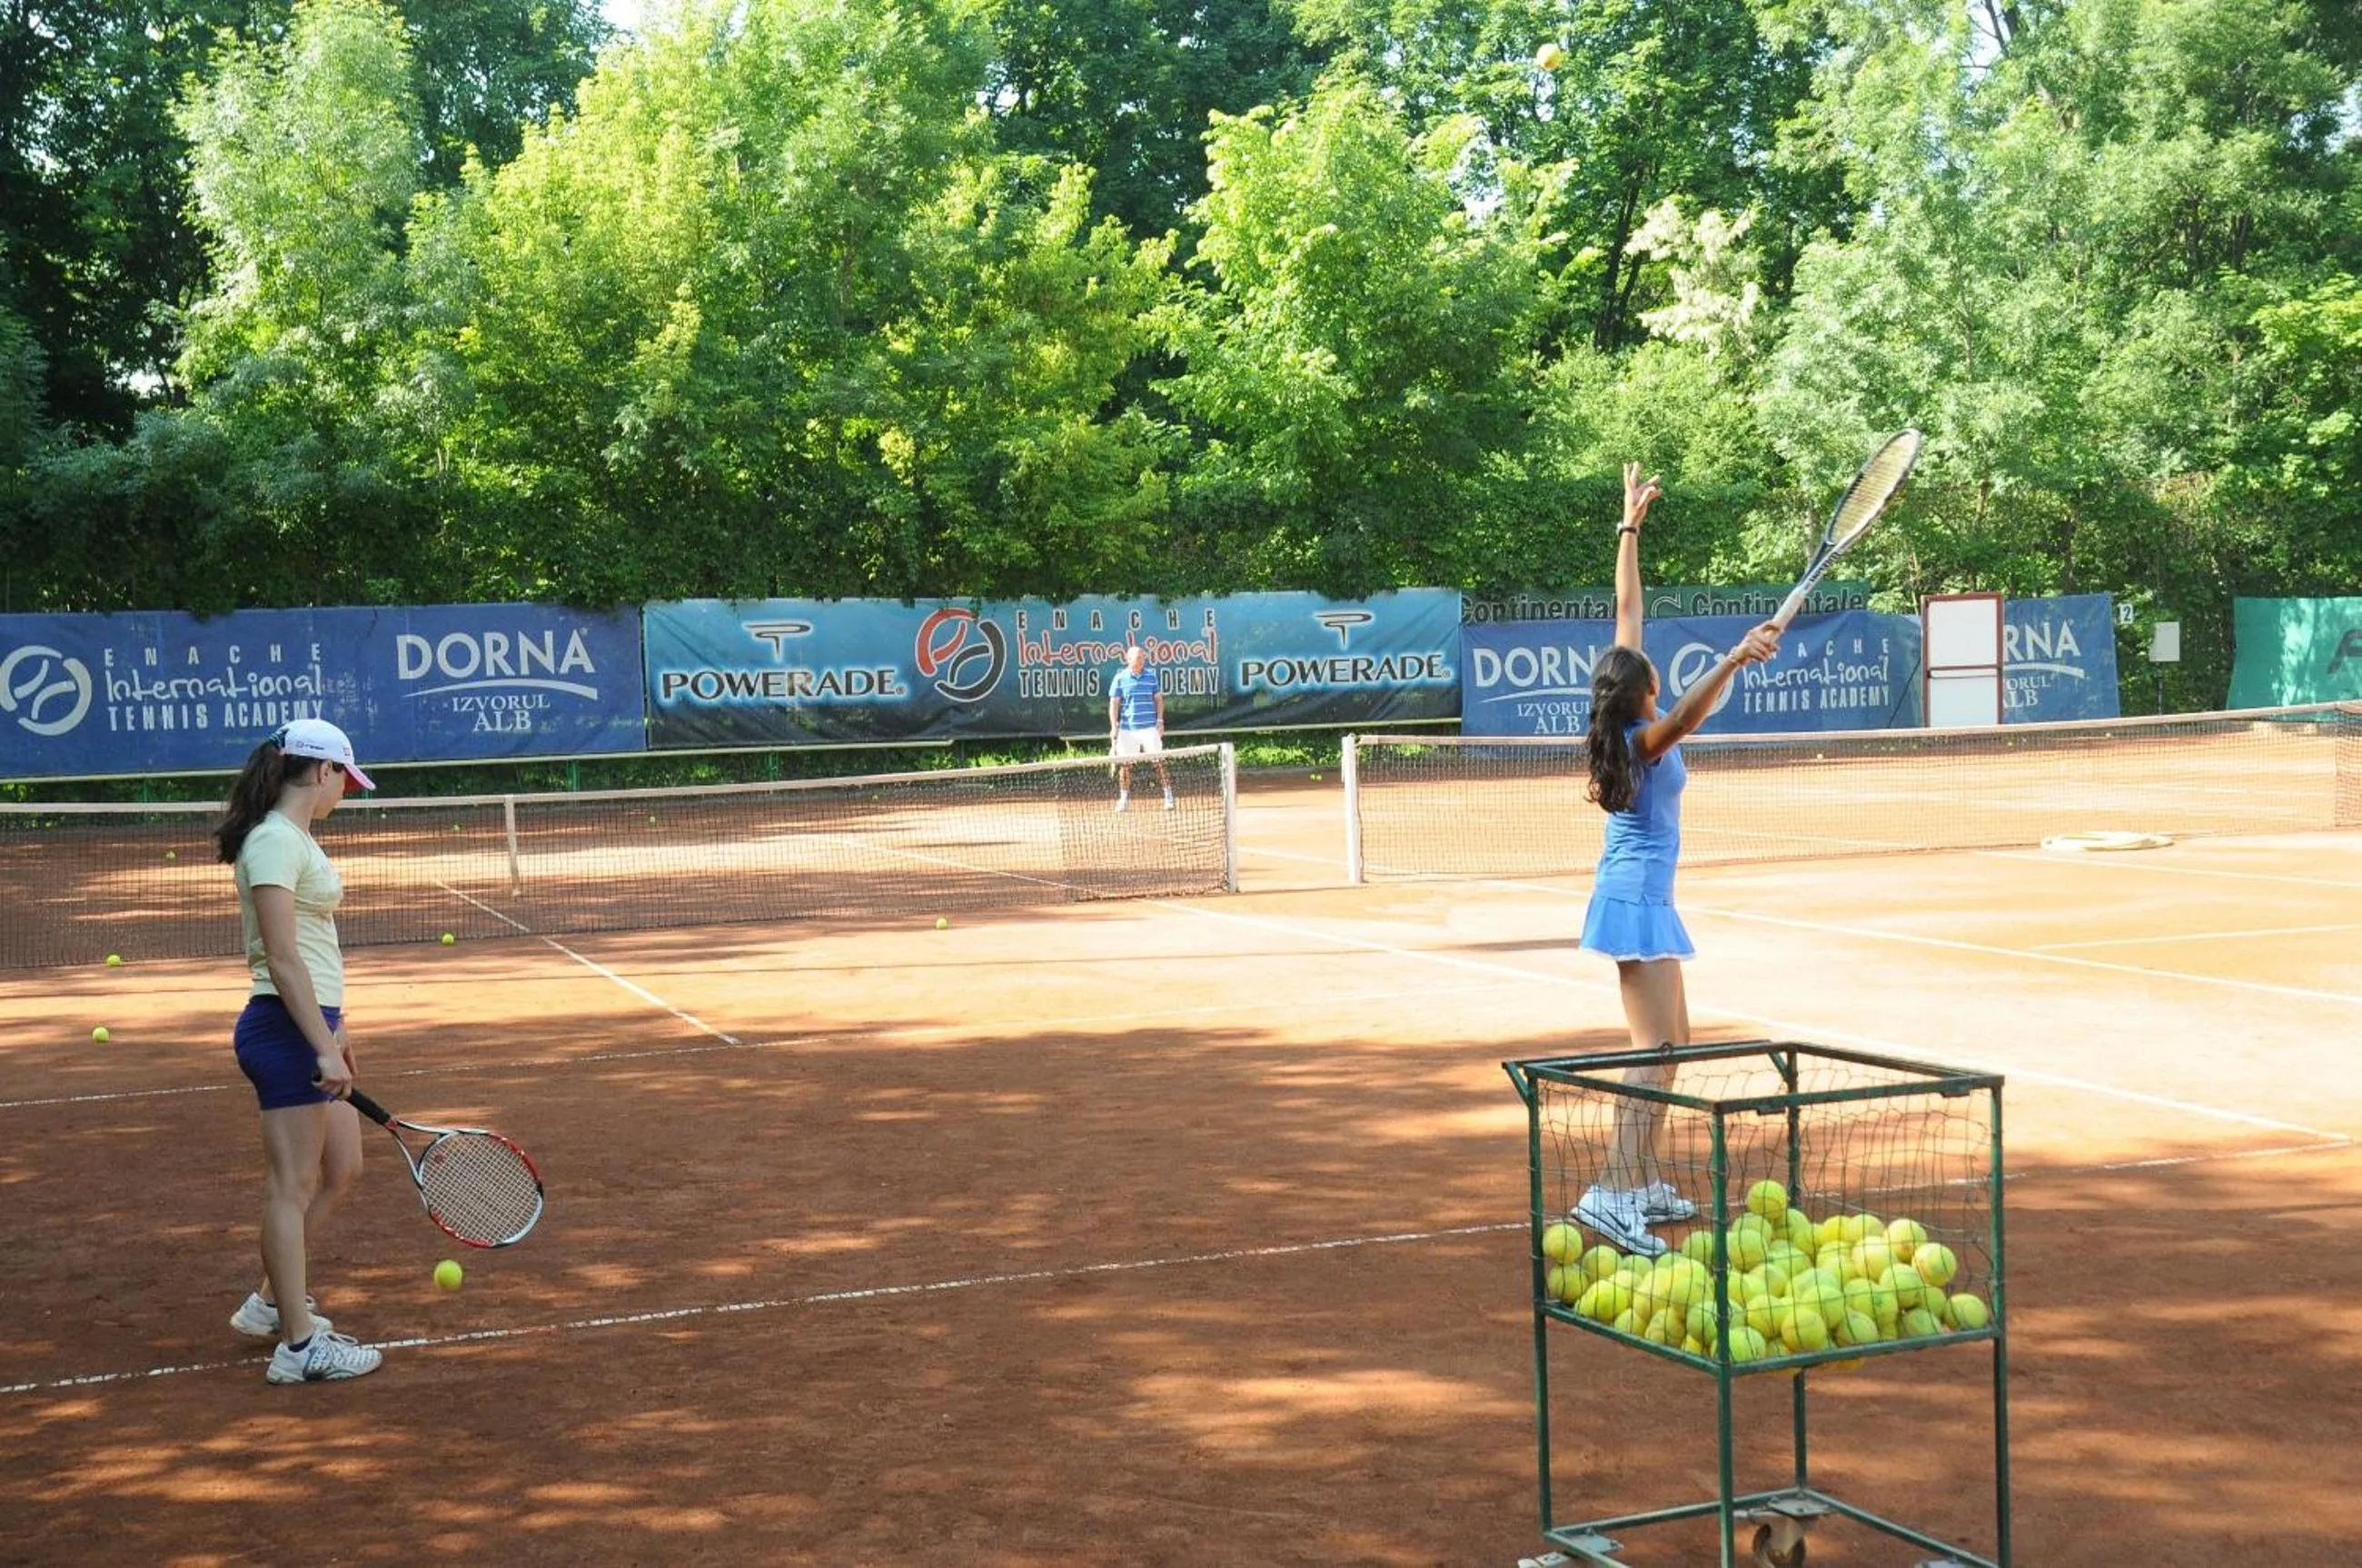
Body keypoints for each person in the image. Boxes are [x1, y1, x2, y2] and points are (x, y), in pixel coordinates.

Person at [1571, 464, 1781, 1256]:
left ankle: (1641, 1178)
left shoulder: (1622, 707)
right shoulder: (1644, 737)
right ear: (1642, 690)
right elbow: (1690, 715)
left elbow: (1627, 608)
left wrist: (1629, 526)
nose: (1649, 657)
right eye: (1650, 667)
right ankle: (1610, 1192)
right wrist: (1734, 659)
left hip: (1642, 898)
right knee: (1652, 1054)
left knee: (1675, 1044)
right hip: (1634, 900)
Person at [213, 718, 385, 1383]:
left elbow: (313, 947)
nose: (346, 790)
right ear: (321, 771)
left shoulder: (294, 839)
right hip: (284, 1030)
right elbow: (282, 958)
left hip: (311, 1026)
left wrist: (337, 1029)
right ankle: (299, 1346)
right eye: (345, 778)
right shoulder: (272, 842)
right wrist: (320, 1043)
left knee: (342, 1167)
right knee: (291, 1186)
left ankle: (268, 1303)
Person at [1107, 644, 1173, 812]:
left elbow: (1159, 700)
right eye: (1138, 658)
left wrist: (1160, 721)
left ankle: (1168, 796)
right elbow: (1114, 704)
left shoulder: (1151, 677)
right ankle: (1123, 799)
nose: (1141, 660)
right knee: (1125, 765)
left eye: (1143, 657)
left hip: (1149, 728)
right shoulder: (1120, 678)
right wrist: (1114, 726)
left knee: (1159, 763)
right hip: (1127, 730)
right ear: (1128, 659)